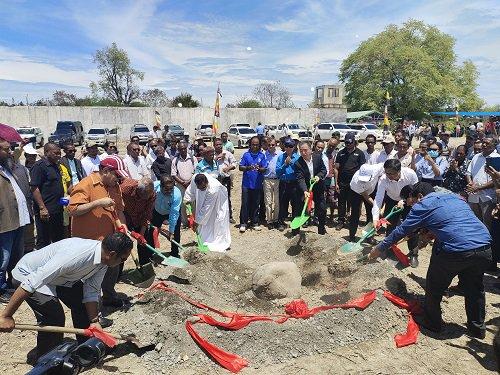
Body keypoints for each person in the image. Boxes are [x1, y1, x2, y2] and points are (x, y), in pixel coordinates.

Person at [369, 182, 492, 339]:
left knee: (434, 286)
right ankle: (477, 329)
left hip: (456, 250)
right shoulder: (456, 197)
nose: (413, 206)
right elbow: (453, 222)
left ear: (419, 196)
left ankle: (432, 323)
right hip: (484, 247)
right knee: (475, 288)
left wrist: (379, 249)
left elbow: (401, 230)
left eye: (413, 202)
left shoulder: (424, 204)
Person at [0, 233, 133, 360]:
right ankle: (47, 360)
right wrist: (6, 316)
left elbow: (91, 291)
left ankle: (86, 348)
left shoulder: (104, 261)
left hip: (61, 278)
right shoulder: (76, 255)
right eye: (123, 259)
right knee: (54, 316)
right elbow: (32, 282)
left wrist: (94, 321)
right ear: (112, 254)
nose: (123, 262)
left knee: (83, 305)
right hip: (28, 274)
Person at [68, 155, 129, 309]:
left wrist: (123, 225)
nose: (118, 180)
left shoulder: (115, 186)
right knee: (92, 278)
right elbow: (73, 210)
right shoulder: (86, 184)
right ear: (106, 171)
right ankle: (93, 311)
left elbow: (120, 210)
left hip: (111, 240)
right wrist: (97, 203)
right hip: (89, 242)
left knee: (112, 270)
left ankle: (109, 295)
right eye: (117, 175)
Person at [0, 138, 31, 302]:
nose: (10, 152)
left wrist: (19, 148)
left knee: (15, 255)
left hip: (18, 220)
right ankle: (1, 289)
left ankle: (13, 284)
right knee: (3, 259)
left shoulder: (6, 167)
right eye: (6, 149)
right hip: (4, 222)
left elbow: (14, 156)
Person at [184, 173, 231, 251]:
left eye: (203, 187)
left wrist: (197, 221)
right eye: (199, 188)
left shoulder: (213, 188)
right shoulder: (194, 178)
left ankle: (214, 239)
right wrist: (187, 199)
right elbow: (191, 189)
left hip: (218, 200)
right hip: (204, 202)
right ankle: (204, 238)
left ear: (207, 182)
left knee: (216, 219)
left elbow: (206, 208)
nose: (202, 189)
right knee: (202, 217)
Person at [30, 143, 65, 247]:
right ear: (46, 153)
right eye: (56, 153)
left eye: (59, 153)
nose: (59, 155)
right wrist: (42, 208)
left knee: (58, 240)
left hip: (57, 210)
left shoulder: (56, 166)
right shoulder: (39, 166)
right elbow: (34, 188)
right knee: (44, 241)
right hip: (45, 212)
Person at [372, 158, 419, 236]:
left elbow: (416, 190)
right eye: (387, 173)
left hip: (409, 200)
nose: (389, 176)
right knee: (390, 225)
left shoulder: (410, 174)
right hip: (392, 200)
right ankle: (389, 246)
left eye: (392, 173)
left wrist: (404, 200)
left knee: (411, 226)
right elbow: (378, 199)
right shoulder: (383, 179)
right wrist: (375, 218)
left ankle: (412, 247)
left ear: (399, 170)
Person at [466, 137, 499, 230]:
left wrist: (479, 188)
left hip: (487, 197)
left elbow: (495, 179)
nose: (484, 145)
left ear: (493, 146)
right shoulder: (476, 156)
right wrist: (470, 183)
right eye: (483, 142)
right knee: (475, 222)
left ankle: (488, 244)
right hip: (474, 195)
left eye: (487, 143)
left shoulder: (497, 158)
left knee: (487, 224)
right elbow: (468, 173)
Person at [294, 141, 327, 235]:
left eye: (305, 150)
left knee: (322, 209)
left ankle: (321, 230)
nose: (303, 153)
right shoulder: (298, 163)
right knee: (299, 209)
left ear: (310, 150)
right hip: (304, 188)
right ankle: (295, 231)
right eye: (301, 151)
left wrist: (318, 176)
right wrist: (304, 190)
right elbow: (300, 178)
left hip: (318, 187)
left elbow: (323, 170)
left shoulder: (317, 158)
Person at [146, 175, 182, 260]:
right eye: (166, 189)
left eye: (171, 189)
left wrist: (171, 231)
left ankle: (174, 253)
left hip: (171, 212)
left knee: (175, 233)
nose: (169, 191)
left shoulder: (176, 195)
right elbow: (146, 199)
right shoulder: (154, 186)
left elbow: (174, 214)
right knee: (152, 232)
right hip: (157, 211)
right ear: (161, 186)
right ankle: (151, 254)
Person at [335, 133, 366, 231]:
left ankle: (352, 222)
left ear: (354, 142)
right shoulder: (341, 153)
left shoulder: (360, 153)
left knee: (354, 203)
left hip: (355, 184)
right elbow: (336, 168)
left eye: (350, 142)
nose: (348, 144)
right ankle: (341, 221)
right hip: (342, 183)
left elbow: (363, 169)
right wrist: (336, 183)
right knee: (341, 203)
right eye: (346, 142)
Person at [120, 177, 155, 264]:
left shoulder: (152, 195)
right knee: (122, 243)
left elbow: (147, 215)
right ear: (138, 190)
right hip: (125, 217)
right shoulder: (126, 188)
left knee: (143, 244)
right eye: (143, 197)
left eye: (147, 197)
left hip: (140, 218)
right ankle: (118, 271)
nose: (144, 199)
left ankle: (145, 264)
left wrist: (141, 235)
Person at [238, 136, 267, 232]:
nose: (255, 146)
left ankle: (255, 222)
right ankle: (243, 223)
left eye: (257, 144)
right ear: (250, 144)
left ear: (259, 145)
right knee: (245, 203)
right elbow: (240, 167)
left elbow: (265, 168)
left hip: (257, 184)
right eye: (253, 144)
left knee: (256, 203)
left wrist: (260, 169)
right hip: (246, 184)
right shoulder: (246, 155)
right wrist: (248, 168)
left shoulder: (262, 155)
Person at [276, 137, 301, 232]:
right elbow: (278, 172)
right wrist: (284, 165)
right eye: (287, 146)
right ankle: (281, 223)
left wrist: (292, 164)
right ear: (284, 147)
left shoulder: (298, 158)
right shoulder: (281, 157)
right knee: (282, 203)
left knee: (295, 205)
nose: (288, 148)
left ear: (294, 147)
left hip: (294, 184)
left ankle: (295, 225)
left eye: (291, 146)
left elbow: (300, 171)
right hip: (284, 183)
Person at [171, 140, 197, 227]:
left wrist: (189, 182)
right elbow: (173, 174)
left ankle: (195, 222)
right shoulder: (175, 160)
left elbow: (196, 172)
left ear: (187, 148)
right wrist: (182, 183)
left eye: (184, 148)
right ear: (178, 149)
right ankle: (185, 222)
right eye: (181, 149)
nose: (183, 150)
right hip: (180, 185)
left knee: (193, 202)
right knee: (182, 204)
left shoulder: (193, 159)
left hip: (192, 184)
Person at [350, 163, 384, 228]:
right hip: (356, 193)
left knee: (371, 213)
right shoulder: (356, 182)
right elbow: (366, 196)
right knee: (355, 213)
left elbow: (386, 168)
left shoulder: (377, 168)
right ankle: (352, 236)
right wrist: (377, 208)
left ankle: (368, 235)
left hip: (371, 190)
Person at [214, 138, 237, 224]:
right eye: (217, 145)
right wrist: (216, 158)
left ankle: (229, 216)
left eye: (220, 144)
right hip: (215, 180)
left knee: (226, 197)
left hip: (225, 179)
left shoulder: (227, 153)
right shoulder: (212, 154)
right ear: (214, 145)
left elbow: (235, 163)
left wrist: (228, 168)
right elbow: (208, 164)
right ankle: (218, 217)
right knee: (216, 198)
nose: (219, 146)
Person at [262, 138, 282, 229]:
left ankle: (276, 220)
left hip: (277, 180)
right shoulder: (264, 155)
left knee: (277, 201)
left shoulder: (280, 154)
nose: (271, 146)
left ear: (276, 144)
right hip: (267, 180)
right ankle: (269, 221)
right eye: (269, 145)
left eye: (273, 145)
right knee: (268, 201)